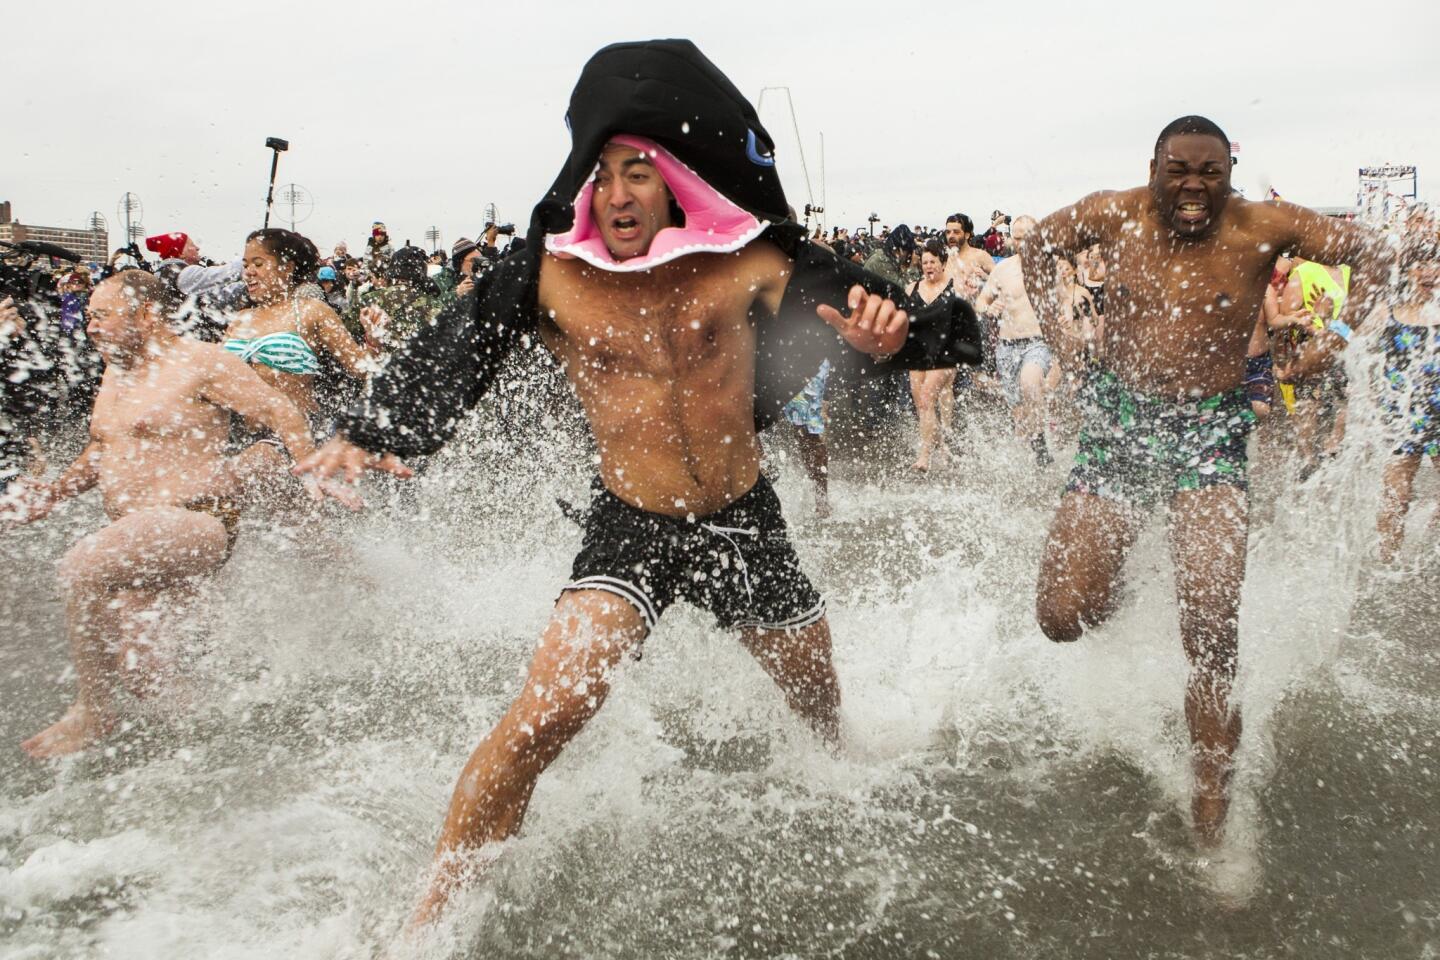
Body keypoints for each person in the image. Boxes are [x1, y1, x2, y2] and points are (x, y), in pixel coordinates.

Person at [294, 38, 978, 927]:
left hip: (742, 520)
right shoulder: (546, 274)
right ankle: (431, 921)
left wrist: (888, 342)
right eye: (604, 174)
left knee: (816, 695)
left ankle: (839, 781)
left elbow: (894, 325)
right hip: (632, 524)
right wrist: (368, 430)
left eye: (640, 173)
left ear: (677, 182)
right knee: (545, 717)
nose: (617, 194)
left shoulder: (748, 262)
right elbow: (455, 350)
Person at [1021, 115, 1390, 867]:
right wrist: (1064, 338)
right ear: (1153, 166)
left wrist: (1335, 339)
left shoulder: (1268, 225)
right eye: (1179, 171)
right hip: (1122, 422)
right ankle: (1113, 580)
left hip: (1212, 432)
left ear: (1230, 172)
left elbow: (1374, 253)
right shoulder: (1112, 212)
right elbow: (1035, 245)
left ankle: (1213, 816)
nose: (1194, 187)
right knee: (1062, 617)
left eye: (1210, 173)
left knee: (1212, 626)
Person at [1, 270, 354, 758]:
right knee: (144, 671)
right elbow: (100, 450)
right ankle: (228, 753)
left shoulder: (201, 362)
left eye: (102, 315)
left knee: (80, 567)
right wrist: (53, 494)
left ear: (145, 314)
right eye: (88, 318)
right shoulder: (115, 372)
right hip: (138, 536)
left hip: (195, 518)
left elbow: (281, 412)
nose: (91, 328)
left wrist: (311, 468)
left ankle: (93, 711)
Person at [226, 228, 384, 422]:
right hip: (236, 433)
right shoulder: (241, 317)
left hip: (295, 433)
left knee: (263, 452)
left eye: (258, 264)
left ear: (287, 267)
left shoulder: (311, 311)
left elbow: (361, 369)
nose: (248, 273)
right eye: (246, 265)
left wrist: (373, 339)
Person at [1374, 236, 1440, 561]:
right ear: (1408, 270)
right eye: (1423, 264)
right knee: (1395, 496)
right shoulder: (1389, 311)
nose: (1431, 272)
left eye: (1436, 264)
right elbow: (1349, 336)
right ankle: (1389, 561)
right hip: (1403, 417)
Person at [974, 215, 1055, 464]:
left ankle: (1040, 442)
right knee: (1018, 412)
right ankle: (1029, 459)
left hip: (1037, 342)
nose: (1022, 243)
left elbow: (1064, 303)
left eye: (1027, 237)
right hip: (1007, 346)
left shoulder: (1050, 267)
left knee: (1031, 383)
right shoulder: (1004, 268)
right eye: (1018, 237)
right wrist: (989, 309)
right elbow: (980, 302)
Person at [906, 240, 962, 470]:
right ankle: (942, 443)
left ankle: (924, 455)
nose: (928, 266)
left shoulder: (954, 285)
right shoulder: (912, 288)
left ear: (943, 263)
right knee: (922, 404)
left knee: (933, 397)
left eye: (933, 262)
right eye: (924, 262)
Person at [944, 213, 995, 299]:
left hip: (973, 309)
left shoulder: (980, 255)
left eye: (956, 232)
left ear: (967, 235)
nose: (951, 236)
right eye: (948, 232)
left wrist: (985, 278)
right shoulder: (945, 258)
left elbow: (1001, 280)